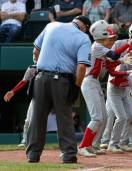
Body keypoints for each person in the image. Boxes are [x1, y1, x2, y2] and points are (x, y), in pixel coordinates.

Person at [26, 15, 92, 163]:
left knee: (37, 118)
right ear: (85, 27)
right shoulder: (83, 37)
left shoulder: (51, 26)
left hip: (40, 78)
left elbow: (35, 52)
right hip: (62, 81)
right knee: (64, 118)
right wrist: (77, 86)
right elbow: (81, 67)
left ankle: (33, 155)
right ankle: (68, 156)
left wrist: (41, 66)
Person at [77, 20, 132, 157]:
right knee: (96, 118)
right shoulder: (96, 46)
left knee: (105, 117)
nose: (110, 36)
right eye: (106, 32)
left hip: (94, 82)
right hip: (89, 82)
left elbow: (109, 63)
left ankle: (93, 145)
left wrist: (121, 61)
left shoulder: (99, 47)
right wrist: (128, 43)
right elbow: (113, 55)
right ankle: (83, 146)